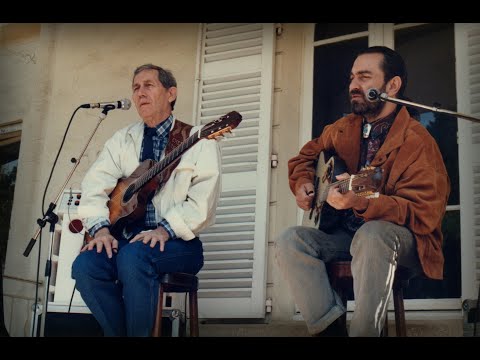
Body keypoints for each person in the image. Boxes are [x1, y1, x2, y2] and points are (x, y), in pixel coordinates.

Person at [274, 46, 450, 337]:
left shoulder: (417, 140)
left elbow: (424, 212)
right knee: (290, 240)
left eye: (365, 77)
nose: (354, 85)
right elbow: (305, 157)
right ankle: (330, 330)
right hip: (346, 236)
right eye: (352, 77)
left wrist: (362, 201)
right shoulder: (342, 128)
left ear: (392, 85)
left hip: (403, 240)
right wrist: (304, 182)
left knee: (373, 234)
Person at [72, 64, 222, 336]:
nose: (140, 93)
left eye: (149, 85)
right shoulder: (122, 139)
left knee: (133, 257)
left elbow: (203, 203)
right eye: (135, 88)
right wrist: (101, 230)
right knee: (86, 266)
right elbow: (94, 186)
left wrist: (165, 230)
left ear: (171, 93)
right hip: (128, 239)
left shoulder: (198, 140)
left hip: (179, 243)